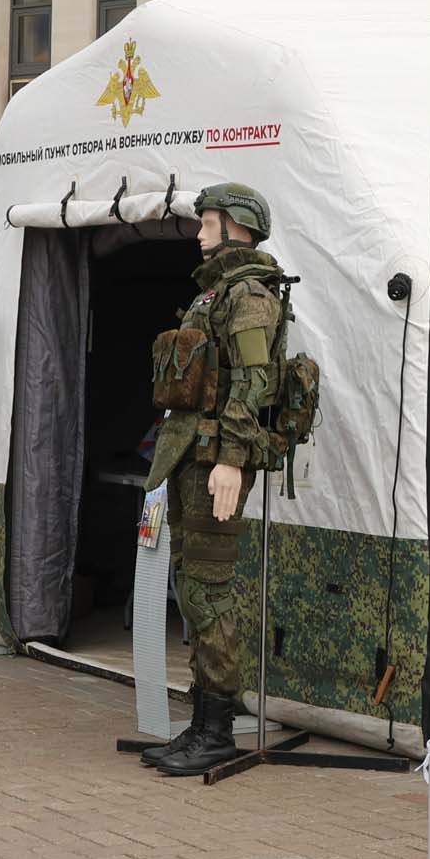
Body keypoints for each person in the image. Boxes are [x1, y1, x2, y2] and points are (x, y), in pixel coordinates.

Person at [138, 182, 289, 778]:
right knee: (192, 585)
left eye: (208, 222)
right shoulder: (216, 292)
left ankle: (217, 731)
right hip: (191, 456)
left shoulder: (248, 293)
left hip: (215, 461)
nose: (199, 233)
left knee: (209, 591)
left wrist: (232, 459)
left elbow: (255, 381)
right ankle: (202, 722)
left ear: (237, 225)